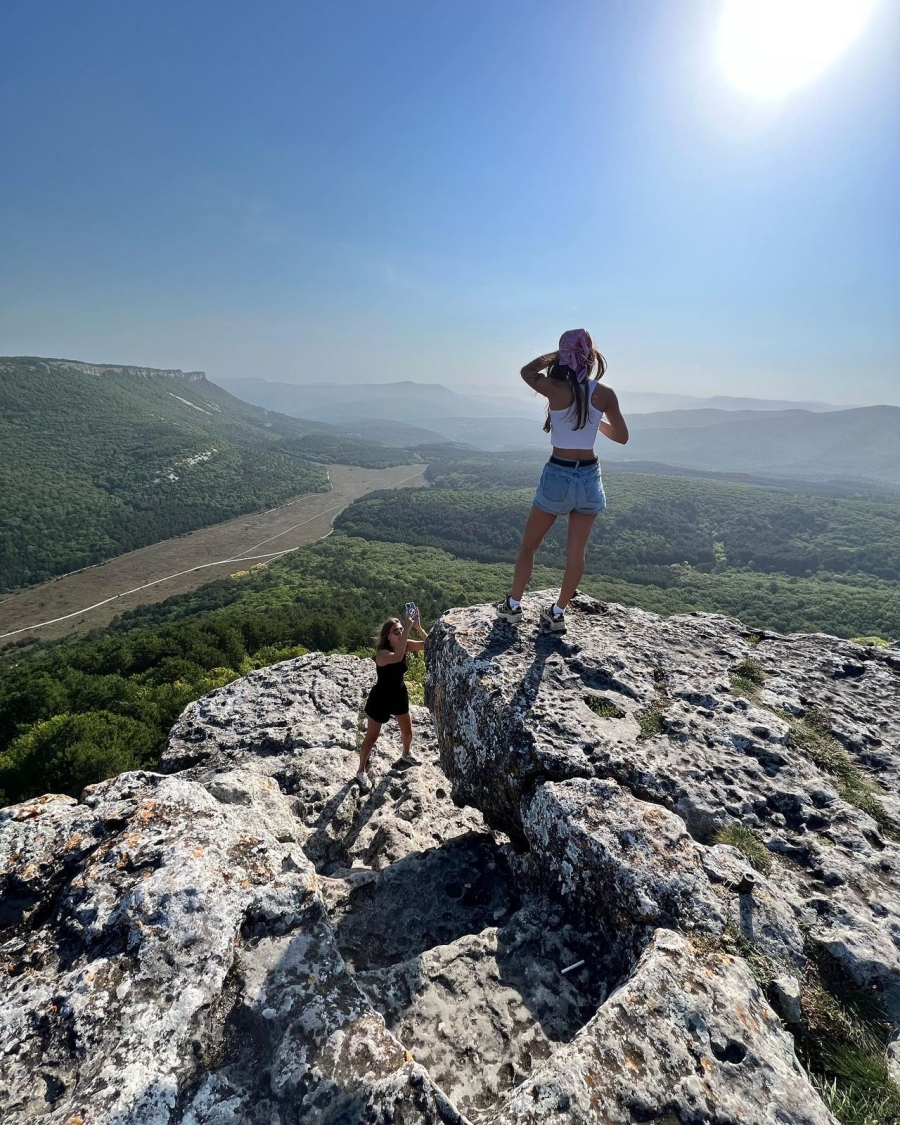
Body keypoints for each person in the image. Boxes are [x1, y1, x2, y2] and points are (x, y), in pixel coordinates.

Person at [497, 328, 629, 634]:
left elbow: (526, 370)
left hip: (559, 472)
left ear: (564, 357)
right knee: (576, 553)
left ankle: (514, 607)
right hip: (589, 476)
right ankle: (557, 613)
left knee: (529, 545)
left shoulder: (554, 388)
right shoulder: (605, 394)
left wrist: (555, 357)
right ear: (592, 358)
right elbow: (622, 437)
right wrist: (596, 422)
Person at [355, 609, 428, 790]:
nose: (401, 633)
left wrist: (418, 627)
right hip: (381, 698)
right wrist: (409, 629)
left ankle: (406, 754)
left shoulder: (404, 644)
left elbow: (429, 644)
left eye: (401, 629)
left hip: (399, 694)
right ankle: (360, 772)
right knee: (372, 737)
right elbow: (396, 658)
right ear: (387, 636)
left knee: (408, 731)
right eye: (397, 631)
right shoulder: (383, 654)